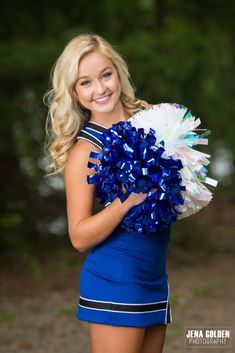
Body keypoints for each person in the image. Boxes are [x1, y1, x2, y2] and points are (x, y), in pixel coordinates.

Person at [44, 32, 172, 353]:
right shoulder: (86, 151)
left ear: (118, 72)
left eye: (105, 75)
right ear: (73, 92)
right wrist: (125, 201)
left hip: (154, 278)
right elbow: (78, 236)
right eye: (85, 82)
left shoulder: (152, 120)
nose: (100, 89)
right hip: (114, 282)